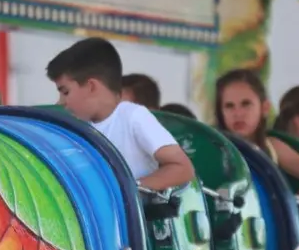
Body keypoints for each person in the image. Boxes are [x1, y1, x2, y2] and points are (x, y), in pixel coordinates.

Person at [47, 37, 195, 191]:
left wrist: (129, 190)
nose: (60, 102)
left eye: (66, 92)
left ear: (91, 86)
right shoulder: (78, 127)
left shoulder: (133, 117)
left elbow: (182, 168)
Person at [214, 69, 299, 212]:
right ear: (221, 112)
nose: (238, 113)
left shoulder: (272, 147)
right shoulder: (213, 149)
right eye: (229, 106)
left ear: (264, 108)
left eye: (246, 104)